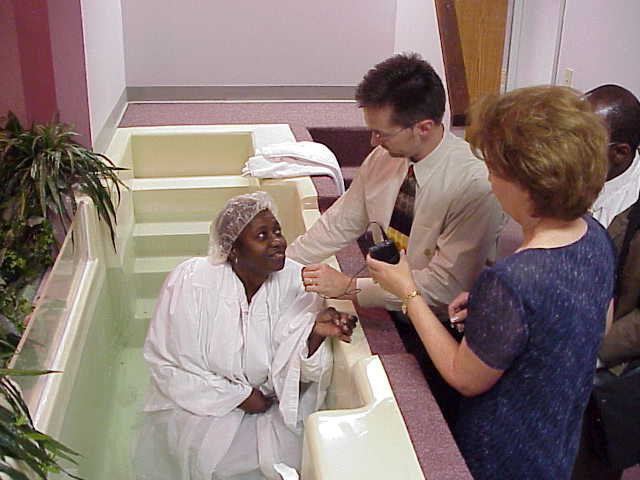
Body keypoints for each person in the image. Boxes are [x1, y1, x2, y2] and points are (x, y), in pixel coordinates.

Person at [366, 86, 615, 479]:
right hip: (559, 434)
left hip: (503, 452)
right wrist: (499, 322)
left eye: (495, 169)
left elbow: (464, 377)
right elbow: (596, 324)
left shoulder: (512, 281)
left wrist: (408, 291)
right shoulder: (595, 234)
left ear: (527, 183)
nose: (489, 178)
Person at [134, 192, 357, 480]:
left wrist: (313, 336)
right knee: (208, 458)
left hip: (271, 406)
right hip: (200, 402)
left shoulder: (295, 281)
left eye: (277, 231)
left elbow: (302, 375)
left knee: (294, 458)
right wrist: (238, 396)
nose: (277, 241)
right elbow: (169, 363)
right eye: (262, 235)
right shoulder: (191, 282)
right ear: (232, 249)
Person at [287, 52, 503, 318]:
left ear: (423, 128)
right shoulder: (384, 157)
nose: (373, 142)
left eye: (381, 133)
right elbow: (340, 222)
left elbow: (445, 287)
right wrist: (284, 264)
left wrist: (350, 287)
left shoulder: (475, 186)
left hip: (440, 320)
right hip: (387, 296)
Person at [572, 84, 640, 480]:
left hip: (607, 370)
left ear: (620, 153)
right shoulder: (580, 174)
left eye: (585, 140)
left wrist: (592, 352)